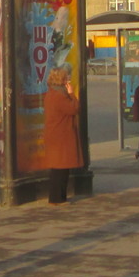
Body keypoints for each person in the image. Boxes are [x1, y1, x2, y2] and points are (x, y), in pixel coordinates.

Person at [42, 67, 83, 203]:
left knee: (60, 168)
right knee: (60, 169)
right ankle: (57, 198)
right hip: (61, 136)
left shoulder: (51, 94)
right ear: (61, 80)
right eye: (66, 78)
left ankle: (59, 197)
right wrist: (72, 94)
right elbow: (74, 108)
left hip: (56, 135)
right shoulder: (59, 96)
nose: (68, 80)